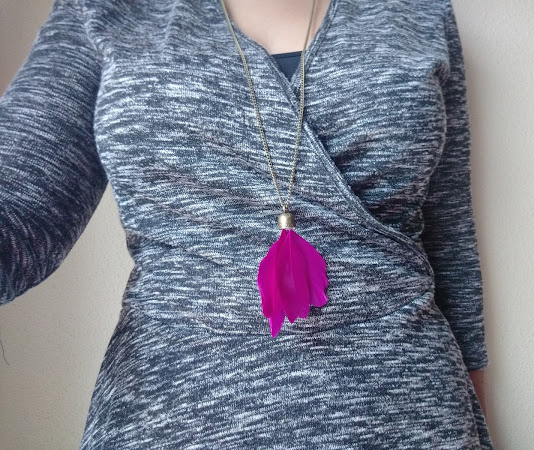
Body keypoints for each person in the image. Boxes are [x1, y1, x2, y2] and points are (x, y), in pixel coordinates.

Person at [0, 0, 493, 447]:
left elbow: (448, 234)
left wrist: (478, 418)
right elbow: (20, 198)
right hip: (172, 414)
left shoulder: (418, 11)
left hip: (407, 412)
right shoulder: (105, 10)